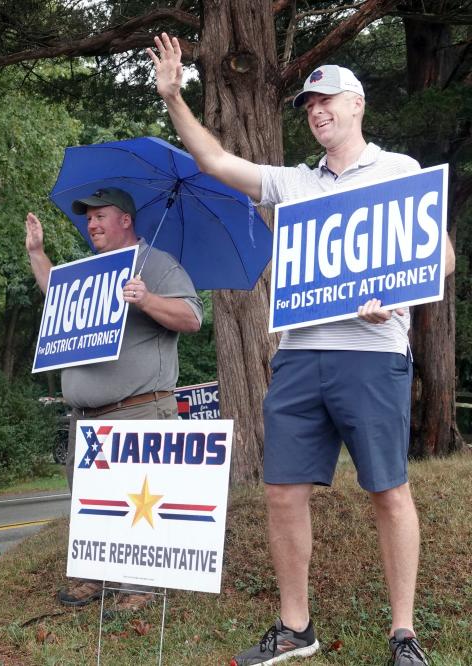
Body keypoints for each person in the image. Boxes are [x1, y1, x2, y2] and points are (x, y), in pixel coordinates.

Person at [147, 33, 456, 666]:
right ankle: (295, 628)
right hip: (298, 355)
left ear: (357, 104)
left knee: (388, 490)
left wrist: (397, 291)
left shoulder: (400, 171)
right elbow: (215, 162)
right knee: (282, 490)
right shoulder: (293, 183)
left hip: (371, 355)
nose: (316, 111)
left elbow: (444, 257)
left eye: (326, 100)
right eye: (308, 105)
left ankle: (404, 635)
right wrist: (176, 99)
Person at [26, 187, 203, 610]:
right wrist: (37, 251)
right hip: (87, 418)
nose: (91, 224)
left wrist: (147, 298)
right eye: (88, 218)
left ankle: (140, 586)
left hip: (138, 409)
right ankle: (95, 577)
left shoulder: (157, 264)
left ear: (125, 219)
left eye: (100, 216)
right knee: (92, 504)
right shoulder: (93, 270)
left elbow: (193, 317)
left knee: (139, 501)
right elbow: (56, 291)